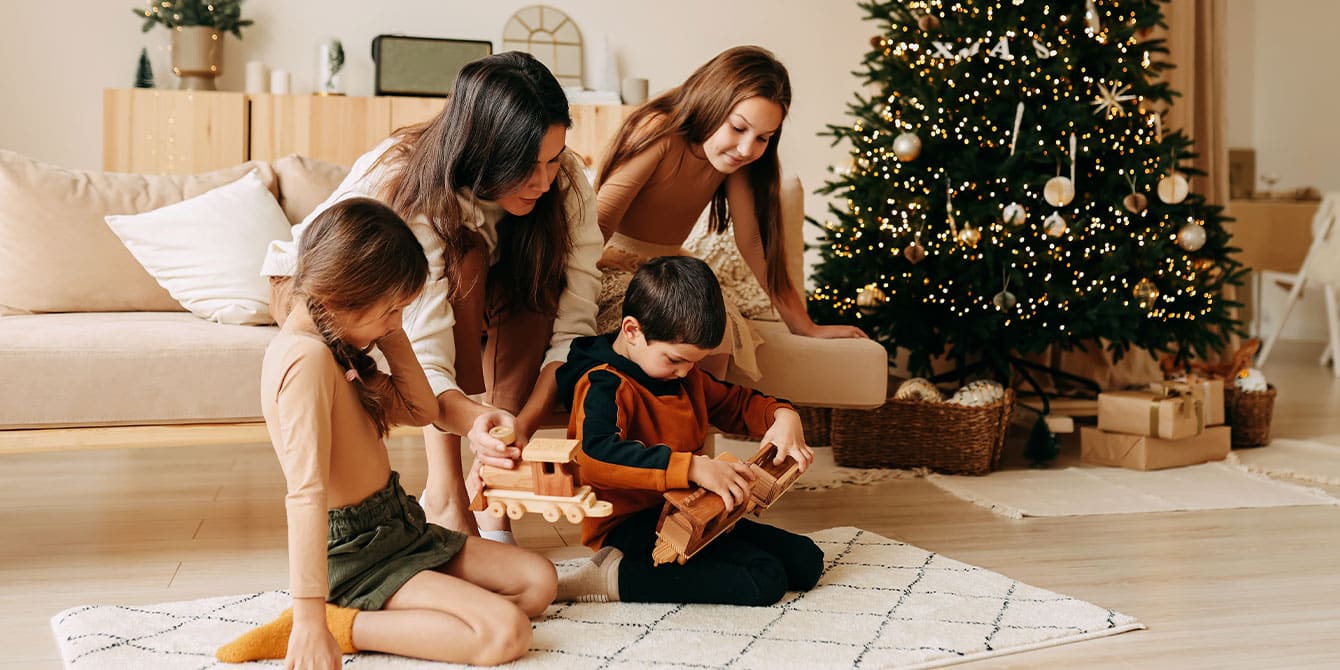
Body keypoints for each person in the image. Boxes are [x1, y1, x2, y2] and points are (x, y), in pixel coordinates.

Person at [261, 51, 602, 542]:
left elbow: (575, 316)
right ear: (485, 150)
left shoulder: (563, 181)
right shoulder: (407, 182)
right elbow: (423, 337)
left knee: (533, 264)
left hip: (468, 283)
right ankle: (445, 494)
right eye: (528, 166)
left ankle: (492, 488)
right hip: (320, 290)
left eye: (554, 158)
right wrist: (471, 420)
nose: (545, 180)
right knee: (465, 258)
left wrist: (517, 428)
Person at [218, 198, 556, 668]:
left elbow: (420, 411)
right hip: (356, 555)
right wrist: (310, 619)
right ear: (343, 295)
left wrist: (388, 330)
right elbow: (305, 494)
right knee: (505, 634)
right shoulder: (304, 360)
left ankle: (420, 602)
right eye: (390, 309)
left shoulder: (336, 343)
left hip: (397, 527)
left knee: (538, 581)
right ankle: (340, 624)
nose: (398, 322)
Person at [552, 256, 823, 605]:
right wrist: (692, 467)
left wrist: (784, 416)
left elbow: (737, 403)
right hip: (630, 526)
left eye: (693, 362)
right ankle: (612, 576)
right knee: (763, 579)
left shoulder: (685, 376)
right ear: (632, 331)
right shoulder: (602, 384)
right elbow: (593, 458)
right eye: (675, 360)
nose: (685, 372)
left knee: (806, 561)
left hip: (691, 510)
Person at [595, 45, 865, 379]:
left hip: (670, 271)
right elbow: (600, 222)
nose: (747, 149)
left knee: (718, 331)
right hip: (614, 265)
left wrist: (805, 326)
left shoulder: (735, 162)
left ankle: (696, 426)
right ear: (712, 103)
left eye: (763, 138)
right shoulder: (660, 130)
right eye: (739, 128)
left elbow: (753, 243)